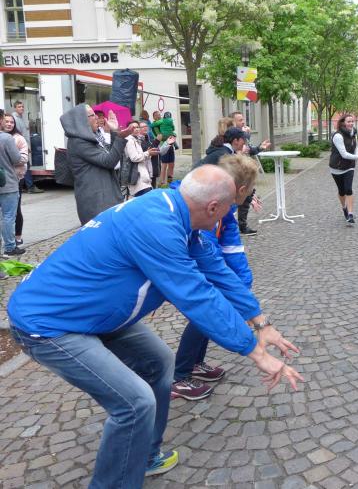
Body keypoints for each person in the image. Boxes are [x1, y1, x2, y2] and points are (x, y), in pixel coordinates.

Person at [8, 164, 304, 488]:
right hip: (50, 324)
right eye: (228, 210)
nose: (227, 218)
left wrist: (261, 322)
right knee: (135, 403)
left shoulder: (178, 213)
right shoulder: (157, 225)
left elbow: (217, 271)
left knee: (159, 362)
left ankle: (143, 455)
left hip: (95, 315)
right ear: (212, 208)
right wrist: (254, 351)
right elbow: (196, 295)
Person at [172, 154, 259, 400]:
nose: (252, 195)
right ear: (240, 190)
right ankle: (179, 377)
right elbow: (208, 253)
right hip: (191, 266)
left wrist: (242, 286)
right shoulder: (204, 206)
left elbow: (232, 248)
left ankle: (194, 364)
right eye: (251, 191)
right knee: (205, 312)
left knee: (208, 312)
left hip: (204, 264)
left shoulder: (226, 209)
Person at [65, 105, 135, 225]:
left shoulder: (91, 137)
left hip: (105, 197)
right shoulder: (79, 141)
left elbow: (111, 156)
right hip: (97, 201)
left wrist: (113, 131)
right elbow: (109, 161)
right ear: (82, 120)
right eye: (92, 115)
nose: (97, 117)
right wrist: (120, 137)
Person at [230, 111, 269, 235]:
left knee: (246, 197)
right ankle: (230, 227)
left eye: (243, 119)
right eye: (240, 120)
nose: (243, 122)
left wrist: (260, 148)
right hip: (234, 172)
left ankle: (242, 225)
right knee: (233, 200)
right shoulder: (231, 135)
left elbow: (248, 150)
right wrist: (246, 135)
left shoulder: (242, 135)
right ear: (233, 122)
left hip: (244, 172)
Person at [329, 113, 358, 224]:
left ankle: (350, 214)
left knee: (348, 189)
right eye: (348, 121)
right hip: (337, 167)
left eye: (352, 121)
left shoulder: (353, 134)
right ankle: (344, 208)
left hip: (349, 167)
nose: (351, 123)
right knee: (341, 191)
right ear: (343, 123)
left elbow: (355, 150)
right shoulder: (338, 136)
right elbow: (344, 154)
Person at [0, 113, 22, 256]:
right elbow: (16, 159)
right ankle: (10, 247)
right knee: (8, 216)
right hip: (7, 182)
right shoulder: (6, 138)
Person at [5, 114, 28, 248]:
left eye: (12, 122)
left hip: (16, 178)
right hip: (3, 179)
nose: (9, 124)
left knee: (15, 209)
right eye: (6, 122)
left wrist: (8, 160)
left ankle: (18, 237)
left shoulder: (19, 139)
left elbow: (24, 158)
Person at [11, 101, 42, 193]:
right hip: (20, 146)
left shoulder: (20, 118)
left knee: (24, 166)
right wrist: (25, 146)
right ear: (15, 108)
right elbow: (19, 134)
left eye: (22, 106)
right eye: (19, 107)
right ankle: (30, 186)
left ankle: (22, 185)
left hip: (22, 145)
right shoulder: (15, 119)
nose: (22, 108)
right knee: (26, 165)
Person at [123, 120, 160, 198]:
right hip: (137, 177)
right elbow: (134, 158)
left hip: (143, 175)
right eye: (133, 127)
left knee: (147, 198)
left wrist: (149, 153)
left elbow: (141, 156)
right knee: (146, 199)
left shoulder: (136, 140)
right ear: (128, 129)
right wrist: (148, 153)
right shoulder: (130, 141)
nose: (136, 129)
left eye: (137, 127)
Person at [153, 111, 177, 186]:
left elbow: (172, 130)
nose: (159, 116)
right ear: (154, 117)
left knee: (171, 164)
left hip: (170, 145)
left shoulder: (164, 122)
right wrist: (170, 135)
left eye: (159, 115)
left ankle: (170, 182)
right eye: (157, 115)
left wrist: (172, 134)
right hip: (163, 146)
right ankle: (162, 183)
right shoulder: (155, 125)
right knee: (164, 165)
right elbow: (159, 135)